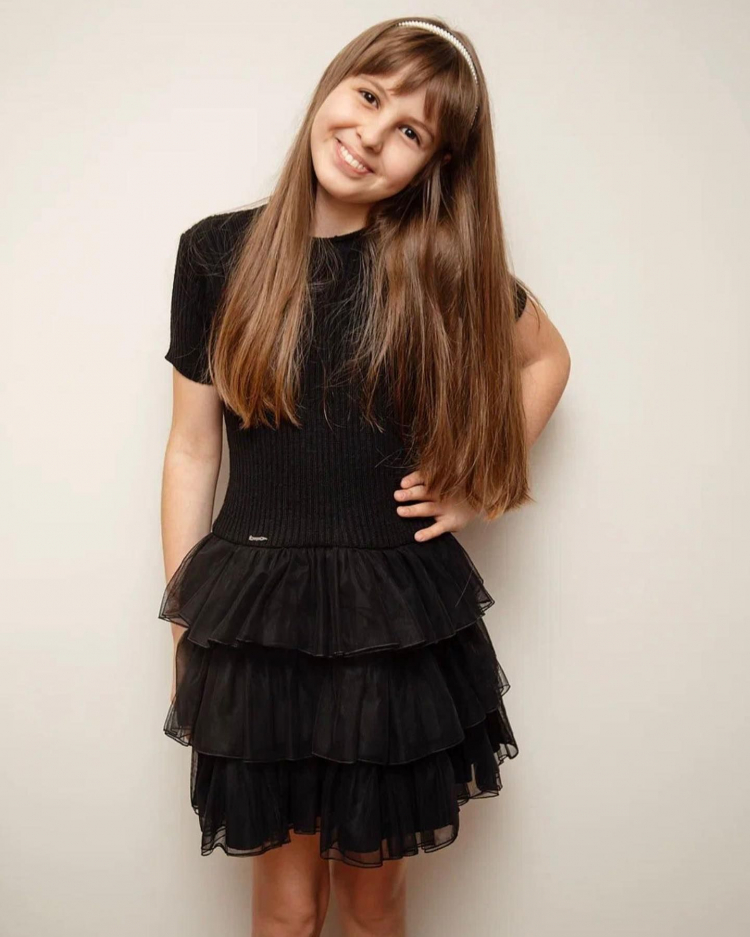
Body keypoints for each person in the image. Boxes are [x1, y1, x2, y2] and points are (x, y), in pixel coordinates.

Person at [159, 15, 571, 936]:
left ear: (435, 164)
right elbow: (192, 451)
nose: (372, 135)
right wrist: (185, 623)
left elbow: (546, 358)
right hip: (257, 621)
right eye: (370, 96)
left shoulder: (435, 265)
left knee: (373, 899)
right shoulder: (215, 254)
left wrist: (480, 486)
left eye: (410, 130)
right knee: (286, 906)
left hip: (390, 619)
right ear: (334, 84)